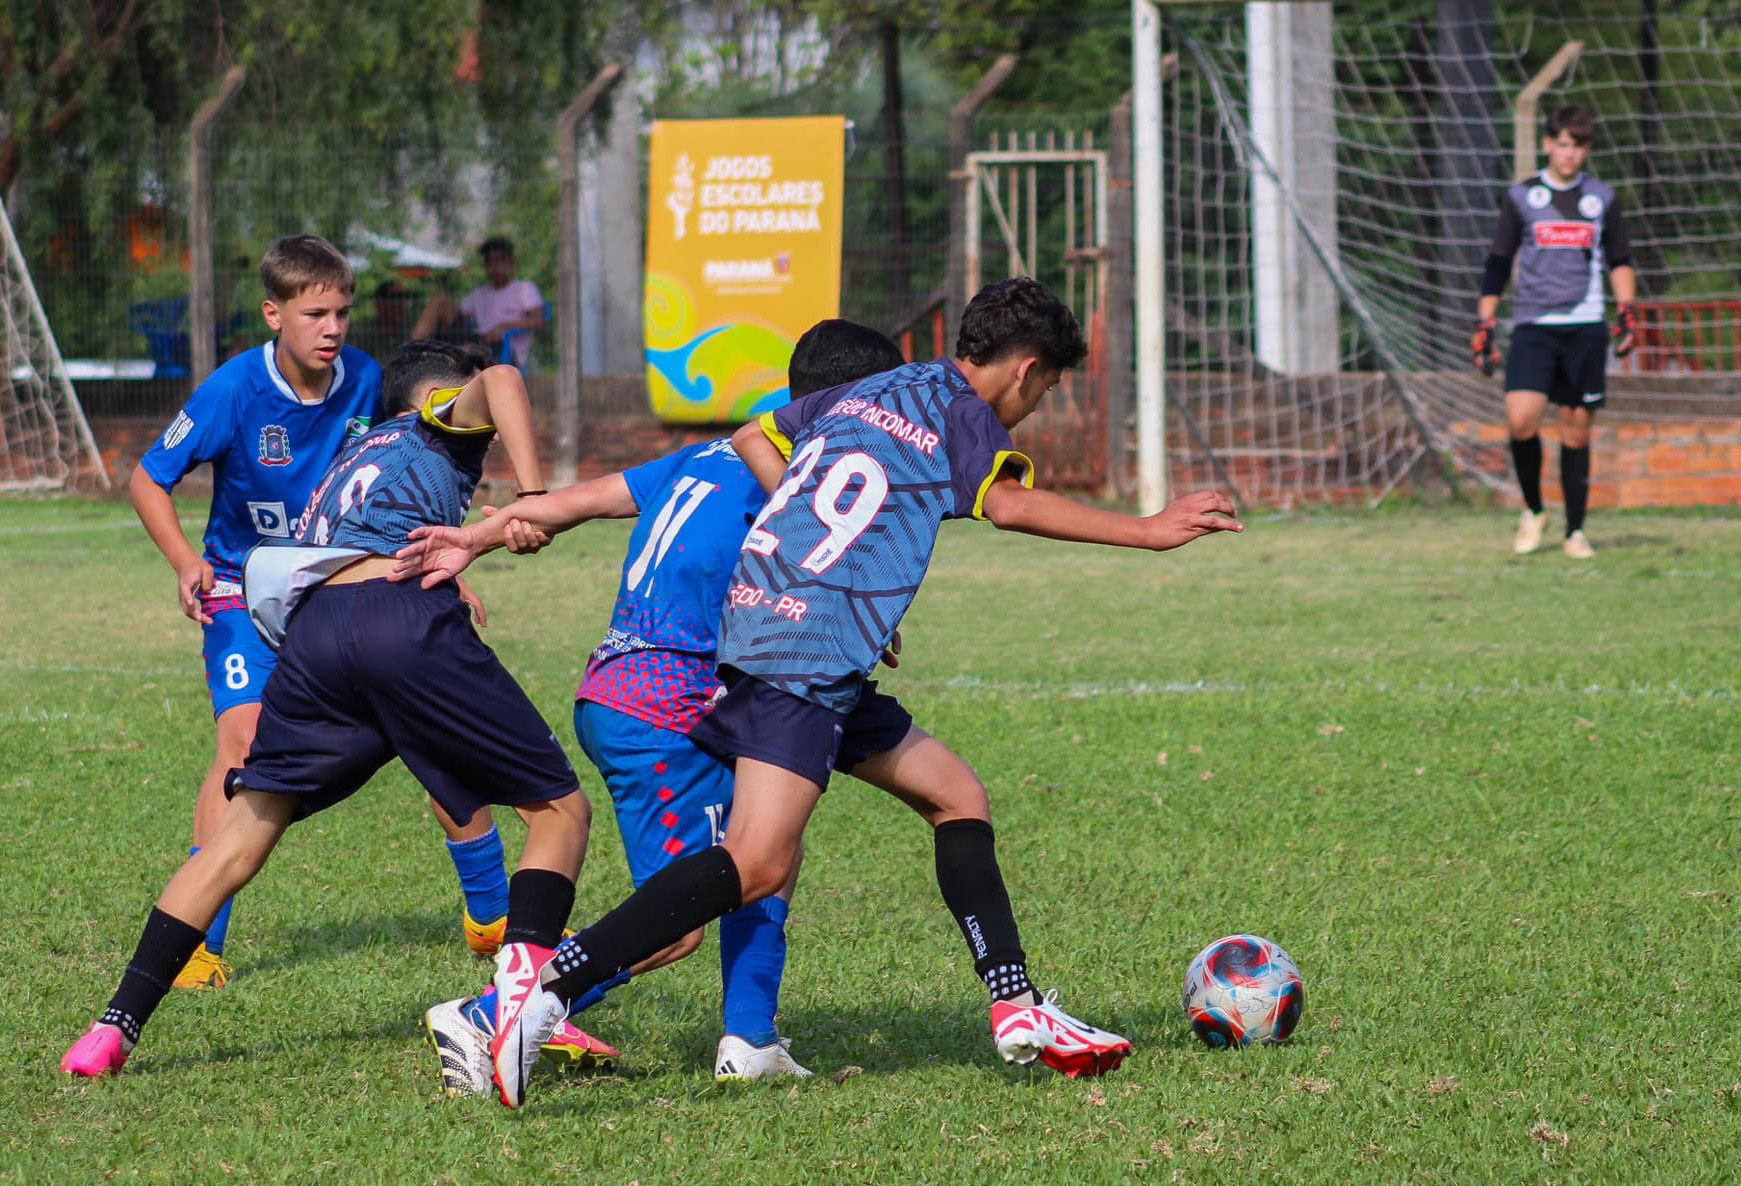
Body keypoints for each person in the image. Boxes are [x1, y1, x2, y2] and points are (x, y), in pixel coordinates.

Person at [405, 278, 1244, 1109]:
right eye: (1049, 389)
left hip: (794, 640)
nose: (1039, 404)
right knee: (756, 861)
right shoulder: (965, 416)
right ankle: (526, 1005)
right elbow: (1012, 506)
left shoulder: (876, 390)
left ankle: (1016, 1006)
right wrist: (1148, 530)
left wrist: (818, 553)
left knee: (955, 794)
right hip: (797, 655)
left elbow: (751, 434)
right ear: (1025, 371)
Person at [62, 341, 607, 1078]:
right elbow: (504, 378)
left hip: (316, 637)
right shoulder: (436, 417)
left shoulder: (357, 447)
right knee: (560, 812)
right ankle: (515, 1017)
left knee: (240, 838)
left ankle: (113, 1027)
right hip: (399, 621)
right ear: (437, 396)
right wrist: (533, 495)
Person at [404, 320, 908, 1090]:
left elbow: (581, 501)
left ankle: (751, 1040)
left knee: (768, 844)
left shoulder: (708, 452)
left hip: (627, 688)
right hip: (666, 703)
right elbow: (819, 562)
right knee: (679, 925)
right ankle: (487, 1016)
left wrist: (481, 536)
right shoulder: (800, 469)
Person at [127, 234, 380, 990]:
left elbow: (413, 463)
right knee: (243, 748)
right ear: (274, 313)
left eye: (341, 312)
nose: (332, 328)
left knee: (423, 719)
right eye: (315, 313)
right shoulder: (233, 390)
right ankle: (198, 941)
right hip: (240, 590)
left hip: (334, 585)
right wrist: (185, 561)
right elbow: (148, 479)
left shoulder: (367, 381)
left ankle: (492, 917)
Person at [1472, 102, 1638, 560]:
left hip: (1584, 327)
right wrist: (1484, 321)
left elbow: (1619, 259)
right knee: (1521, 419)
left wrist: (1626, 311)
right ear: (1548, 145)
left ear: (1586, 150)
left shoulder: (1600, 199)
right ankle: (1533, 508)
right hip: (1533, 325)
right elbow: (1499, 261)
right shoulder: (1523, 197)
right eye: (1563, 145)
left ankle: (1575, 532)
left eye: (1579, 147)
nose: (1570, 155)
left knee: (1576, 431)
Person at [411, 236, 545, 369]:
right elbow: (458, 314)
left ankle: (429, 357)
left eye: (500, 260)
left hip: (504, 351)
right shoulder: (480, 293)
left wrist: (504, 326)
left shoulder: (524, 288)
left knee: (459, 350)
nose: (495, 266)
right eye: (490, 261)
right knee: (440, 301)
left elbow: (537, 320)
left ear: (511, 262)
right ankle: (409, 355)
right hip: (478, 340)